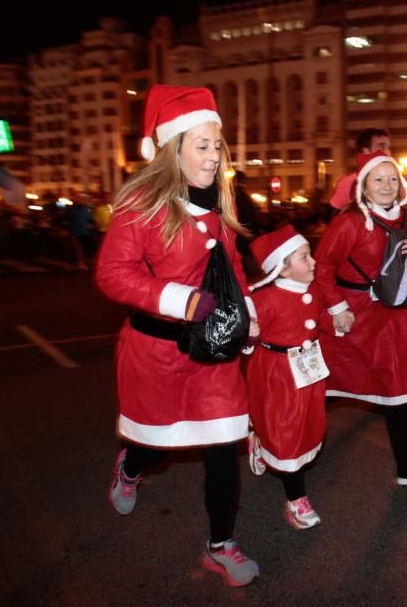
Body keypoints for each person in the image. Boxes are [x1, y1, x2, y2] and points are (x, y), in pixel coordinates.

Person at [94, 84, 261, 588]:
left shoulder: (221, 200)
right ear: (173, 149)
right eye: (202, 146)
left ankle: (221, 546)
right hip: (157, 355)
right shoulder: (142, 202)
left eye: (217, 146)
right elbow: (111, 273)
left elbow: (230, 266)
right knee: (157, 448)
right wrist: (178, 300)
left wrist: (246, 312)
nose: (213, 157)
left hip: (214, 355)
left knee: (223, 445)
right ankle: (131, 466)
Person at [314, 151, 407, 486]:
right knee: (327, 388)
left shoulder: (405, 216)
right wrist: (337, 309)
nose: (387, 186)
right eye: (378, 179)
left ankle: (405, 466)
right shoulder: (350, 222)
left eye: (393, 178)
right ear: (364, 187)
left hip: (390, 315)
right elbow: (322, 267)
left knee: (396, 388)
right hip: (351, 315)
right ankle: (285, 440)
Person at [244, 225, 328, 529]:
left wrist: (339, 319)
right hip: (276, 374)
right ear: (282, 268)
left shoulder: (314, 289)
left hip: (308, 371)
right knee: (287, 431)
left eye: (310, 255)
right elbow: (243, 336)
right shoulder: (264, 299)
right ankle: (296, 500)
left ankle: (259, 439)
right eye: (304, 257)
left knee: (307, 425)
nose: (313, 262)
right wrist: (248, 334)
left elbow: (318, 320)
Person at [328, 128, 392, 210]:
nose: (387, 152)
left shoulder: (395, 179)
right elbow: (336, 213)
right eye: (381, 146)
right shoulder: (349, 182)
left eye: (388, 148)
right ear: (365, 150)